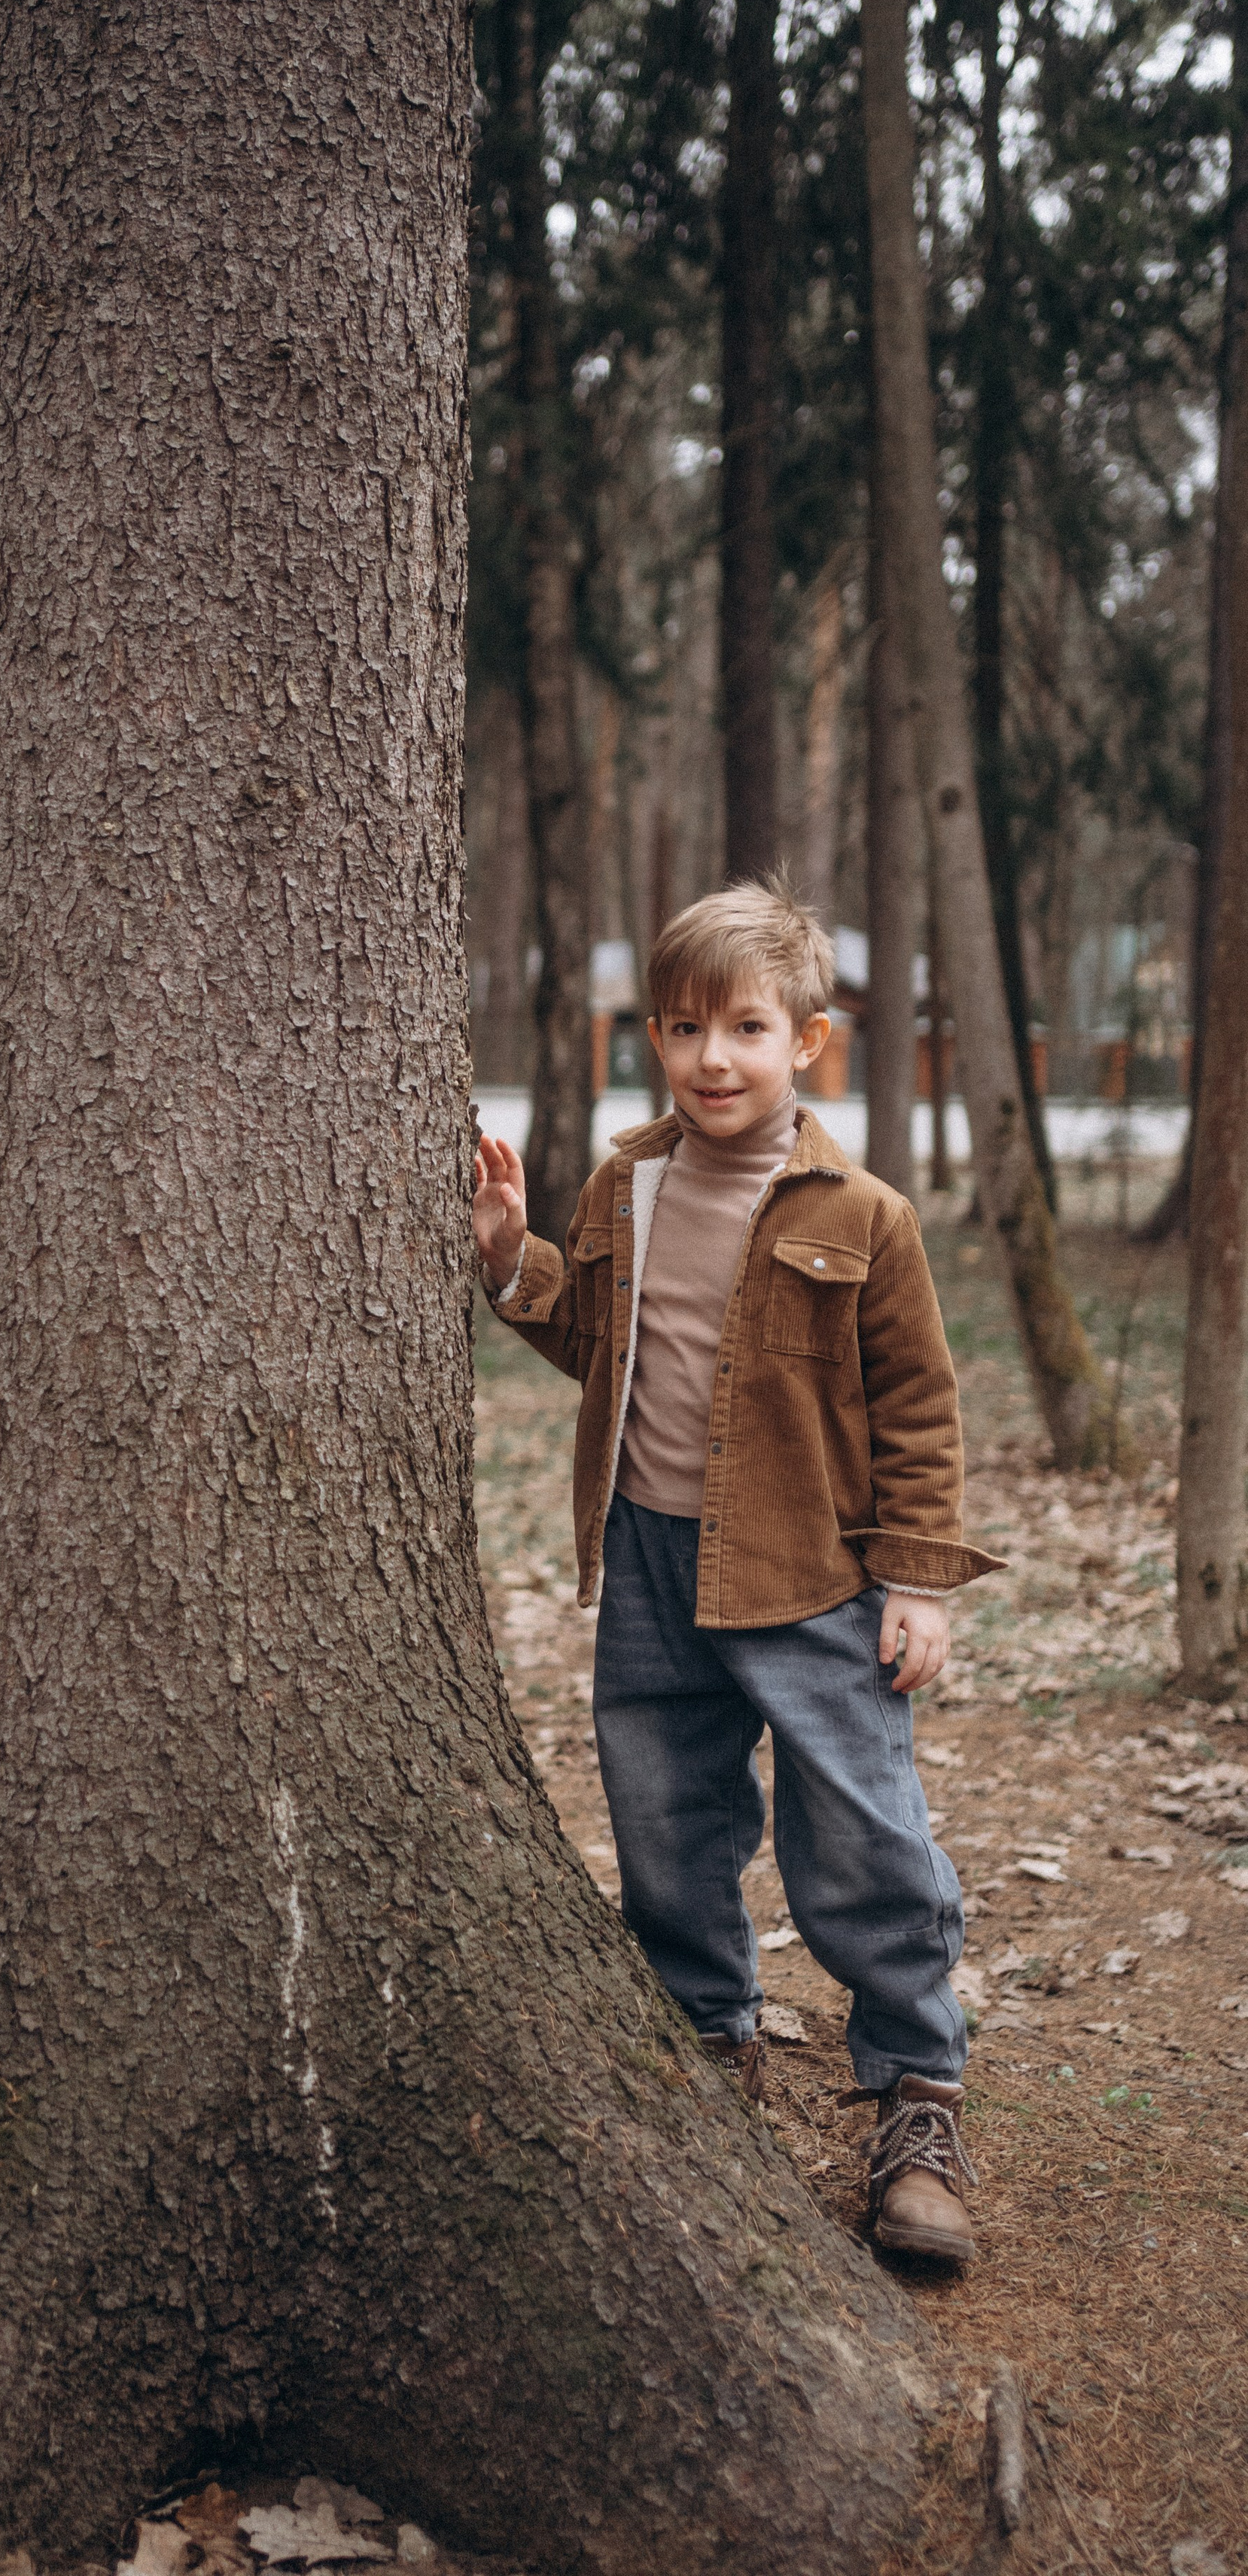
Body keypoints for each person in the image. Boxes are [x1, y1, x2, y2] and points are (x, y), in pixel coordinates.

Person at [473, 877, 1005, 2265]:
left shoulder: (865, 1214)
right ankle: (707, 2049)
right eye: (687, 1027)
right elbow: (597, 1338)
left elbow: (921, 1410)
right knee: (666, 1814)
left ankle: (917, 2093)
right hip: (649, 1557)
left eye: (749, 1028)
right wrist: (505, 1261)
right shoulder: (624, 1183)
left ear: (806, 1043)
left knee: (864, 1836)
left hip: (813, 1572)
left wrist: (920, 1580)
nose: (716, 1058)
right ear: (656, 1035)